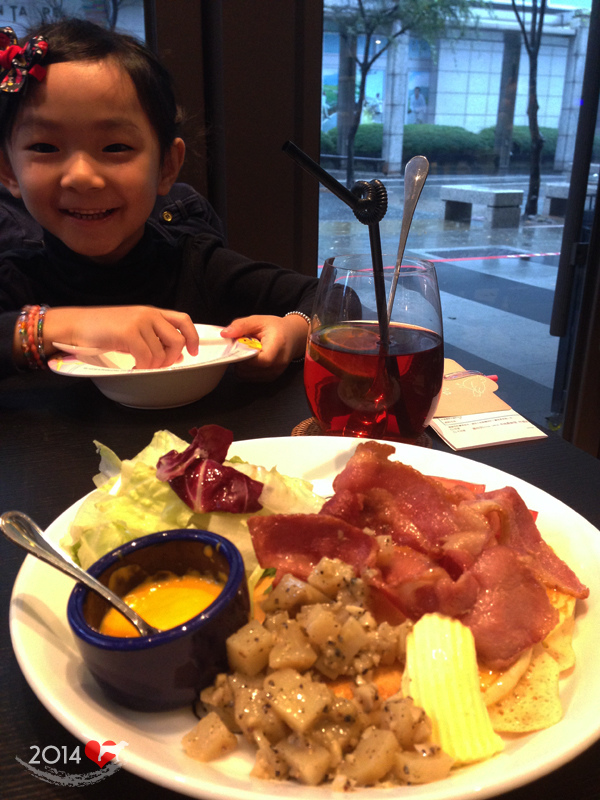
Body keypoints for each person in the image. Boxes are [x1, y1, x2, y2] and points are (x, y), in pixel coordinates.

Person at [0, 19, 318, 380]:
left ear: (166, 166)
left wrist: (292, 331)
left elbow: (331, 298)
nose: (82, 177)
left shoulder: (198, 267)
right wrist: (66, 325)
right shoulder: (14, 279)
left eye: (115, 147)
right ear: (8, 170)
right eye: (45, 147)